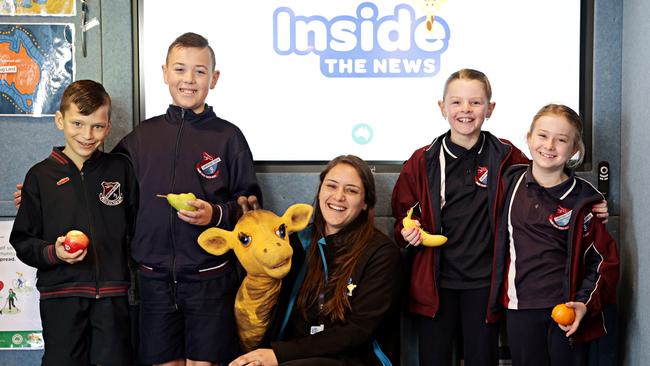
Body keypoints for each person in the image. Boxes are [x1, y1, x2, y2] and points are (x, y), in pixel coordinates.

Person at [391, 69, 609, 366]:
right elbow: (401, 217)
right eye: (456, 102)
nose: (465, 110)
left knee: (482, 358)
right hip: (435, 285)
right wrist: (406, 233)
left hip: (486, 283)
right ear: (442, 108)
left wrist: (590, 202)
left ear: (489, 109)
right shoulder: (422, 159)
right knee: (434, 358)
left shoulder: (506, 155)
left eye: (476, 103)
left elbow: (546, 176)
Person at [111, 32, 263, 366]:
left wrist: (215, 214)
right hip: (153, 280)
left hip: (210, 279)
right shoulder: (141, 137)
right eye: (180, 70)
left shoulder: (229, 137)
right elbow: (102, 184)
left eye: (199, 71)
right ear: (165, 72)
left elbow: (251, 206)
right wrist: (46, 195)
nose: (188, 80)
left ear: (214, 78)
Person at [9, 80, 137, 366]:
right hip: (60, 297)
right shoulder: (40, 176)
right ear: (59, 120)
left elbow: (137, 227)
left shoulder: (120, 169)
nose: (87, 135)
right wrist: (54, 252)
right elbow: (23, 241)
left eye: (97, 126)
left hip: (112, 296)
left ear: (108, 125)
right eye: (77, 123)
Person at [230, 155, 402, 366]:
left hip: (355, 358)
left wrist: (279, 354)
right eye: (331, 186)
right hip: (295, 353)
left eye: (351, 190)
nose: (339, 196)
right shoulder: (296, 244)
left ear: (365, 203)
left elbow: (358, 331)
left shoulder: (382, 254)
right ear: (320, 191)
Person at [490, 104, 619, 366]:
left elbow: (604, 262)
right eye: (542, 135)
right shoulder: (507, 185)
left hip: (567, 310)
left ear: (574, 150)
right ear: (528, 138)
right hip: (520, 307)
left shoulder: (584, 200)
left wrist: (583, 304)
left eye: (561, 140)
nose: (549, 145)